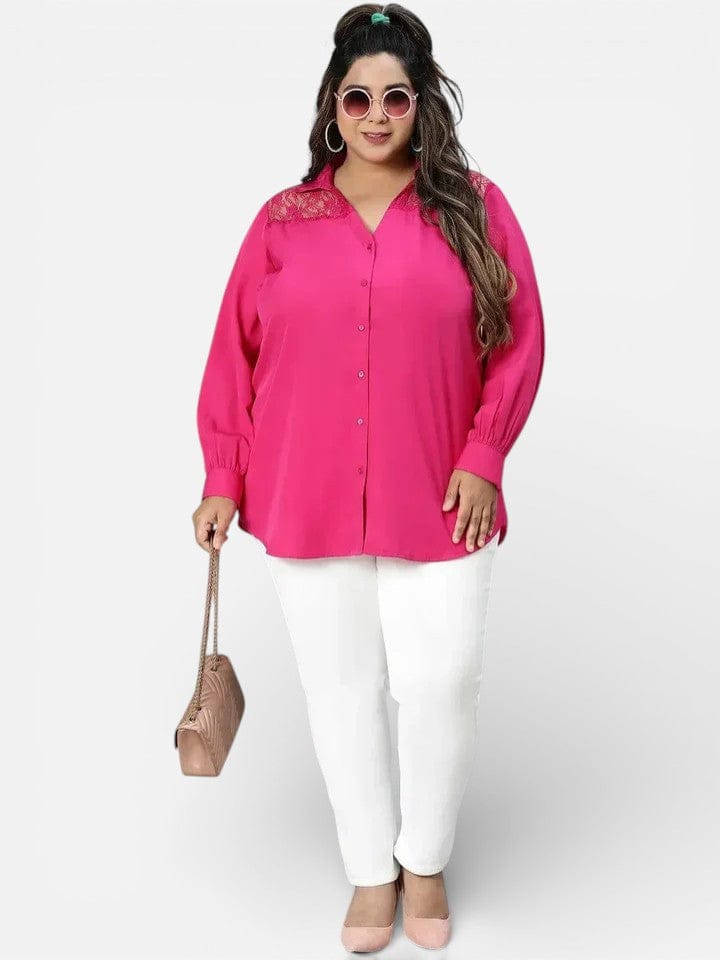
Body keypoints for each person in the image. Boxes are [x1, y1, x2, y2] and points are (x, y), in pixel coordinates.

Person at [191, 4, 545, 952]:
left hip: (442, 493)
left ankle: (424, 857)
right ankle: (370, 873)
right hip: (302, 491)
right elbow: (233, 353)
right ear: (333, 106)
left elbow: (519, 339)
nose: (377, 114)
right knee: (340, 690)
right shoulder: (283, 221)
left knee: (441, 681)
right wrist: (223, 474)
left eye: (396, 96)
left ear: (422, 103)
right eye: (359, 97)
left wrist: (485, 454)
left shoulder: (475, 207)